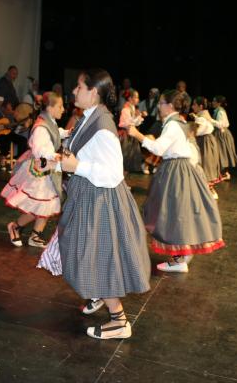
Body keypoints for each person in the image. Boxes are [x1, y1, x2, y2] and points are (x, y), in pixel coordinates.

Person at [59, 69, 151, 340]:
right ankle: (97, 294)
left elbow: (112, 175)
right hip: (89, 195)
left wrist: (77, 166)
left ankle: (119, 320)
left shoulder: (103, 128)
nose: (74, 91)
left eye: (79, 87)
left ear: (94, 92)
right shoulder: (90, 118)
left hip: (101, 200)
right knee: (88, 252)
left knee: (99, 257)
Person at [128, 90, 225, 274]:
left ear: (170, 106)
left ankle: (181, 259)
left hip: (176, 171)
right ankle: (181, 258)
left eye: (161, 103)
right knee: (181, 213)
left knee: (175, 213)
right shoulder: (179, 122)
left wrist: (137, 134)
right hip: (182, 169)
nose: (159, 106)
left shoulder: (173, 125)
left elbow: (158, 149)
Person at [1, 91, 69, 248]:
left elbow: (55, 133)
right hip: (41, 169)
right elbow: (40, 151)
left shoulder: (49, 121)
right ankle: (15, 226)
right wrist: (56, 156)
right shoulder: (41, 127)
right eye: (60, 106)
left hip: (47, 168)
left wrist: (66, 133)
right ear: (50, 107)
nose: (63, 109)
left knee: (47, 203)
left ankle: (36, 235)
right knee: (40, 204)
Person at [192, 97, 221, 198]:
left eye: (194, 104)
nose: (192, 106)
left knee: (205, 163)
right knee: (205, 164)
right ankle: (206, 189)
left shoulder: (201, 118)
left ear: (200, 106)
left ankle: (210, 191)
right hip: (208, 140)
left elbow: (197, 131)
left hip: (204, 142)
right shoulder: (205, 115)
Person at [211, 95, 237, 180]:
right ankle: (222, 173)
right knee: (219, 154)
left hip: (221, 135)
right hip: (219, 133)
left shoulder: (221, 112)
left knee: (222, 153)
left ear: (219, 103)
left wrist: (210, 120)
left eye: (214, 101)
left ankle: (225, 174)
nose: (213, 102)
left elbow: (222, 124)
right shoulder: (218, 111)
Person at [118, 89, 147, 174]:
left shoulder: (133, 107)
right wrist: (138, 116)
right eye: (136, 97)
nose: (138, 99)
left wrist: (139, 116)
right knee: (126, 153)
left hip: (131, 133)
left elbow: (135, 123)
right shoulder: (126, 109)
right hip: (126, 134)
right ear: (130, 98)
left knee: (132, 153)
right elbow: (125, 123)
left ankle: (129, 169)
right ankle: (122, 171)